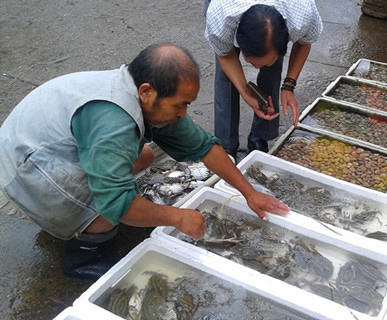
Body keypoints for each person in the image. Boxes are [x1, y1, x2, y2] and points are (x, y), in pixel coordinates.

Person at [0, 43, 289, 280]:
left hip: (44, 145)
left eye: (187, 104)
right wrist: (178, 217)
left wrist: (249, 193)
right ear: (147, 92)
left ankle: (72, 211)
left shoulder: (145, 95)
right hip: (19, 168)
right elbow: (117, 203)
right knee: (110, 207)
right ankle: (82, 257)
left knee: (145, 156)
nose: (183, 112)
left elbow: (204, 146)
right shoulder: (114, 120)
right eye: (180, 105)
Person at [204, 0, 323, 158]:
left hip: (286, 10)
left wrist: (289, 86)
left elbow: (304, 43)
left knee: (272, 67)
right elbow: (225, 55)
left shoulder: (302, 15)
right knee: (226, 77)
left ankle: (260, 136)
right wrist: (246, 93)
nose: (257, 68)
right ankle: (226, 146)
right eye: (252, 62)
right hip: (228, 9)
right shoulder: (220, 19)